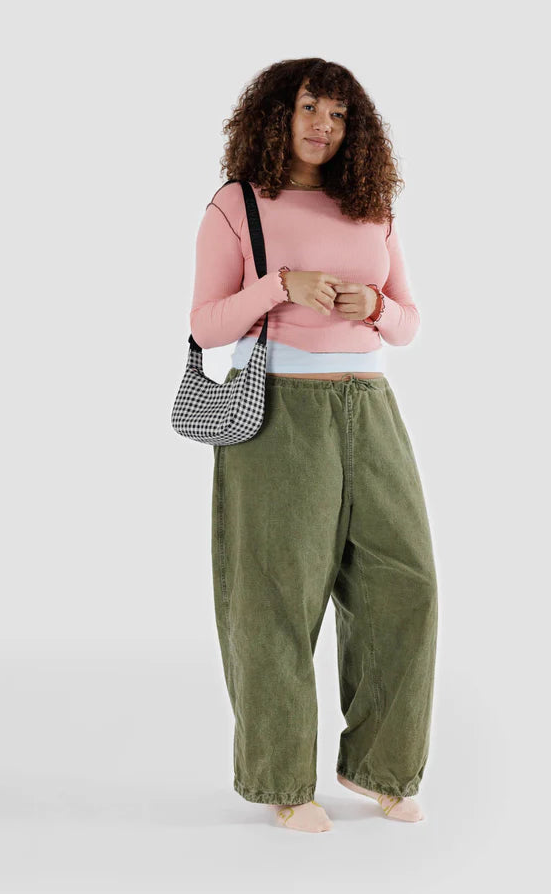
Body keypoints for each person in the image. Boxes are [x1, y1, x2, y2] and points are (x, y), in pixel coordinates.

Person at [189, 58, 439, 833]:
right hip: (278, 408)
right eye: (307, 108)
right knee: (275, 595)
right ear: (276, 114)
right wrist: (279, 287)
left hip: (370, 404)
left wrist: (375, 307)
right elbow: (205, 325)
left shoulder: (371, 205)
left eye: (336, 113)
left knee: (407, 581)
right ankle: (281, 779)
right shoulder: (238, 204)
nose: (322, 125)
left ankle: (380, 765)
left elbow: (408, 320)